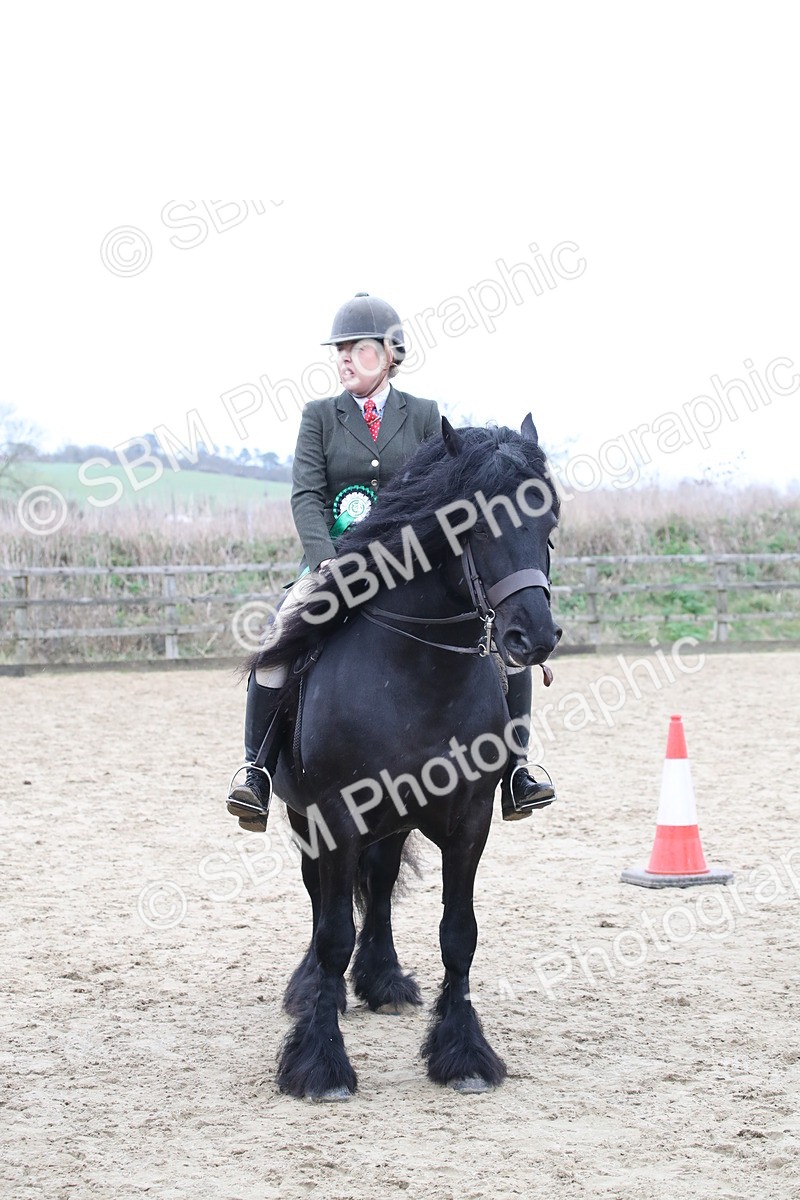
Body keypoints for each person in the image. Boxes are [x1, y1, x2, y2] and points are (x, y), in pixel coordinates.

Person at [226, 292, 556, 831]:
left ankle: (518, 768)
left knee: (500, 641)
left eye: (357, 349)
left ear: (390, 353)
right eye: (340, 351)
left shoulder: (424, 415)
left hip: (409, 566)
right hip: (334, 560)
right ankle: (256, 771)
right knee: (277, 631)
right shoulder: (319, 418)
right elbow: (306, 497)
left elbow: (440, 491)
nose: (345, 360)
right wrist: (328, 561)